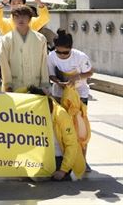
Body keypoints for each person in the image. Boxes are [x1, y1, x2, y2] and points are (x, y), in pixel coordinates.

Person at [47, 29, 93, 170]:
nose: (61, 55)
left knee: (80, 128)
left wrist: (77, 77)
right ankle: (64, 159)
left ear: (71, 49)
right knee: (62, 128)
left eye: (65, 52)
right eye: (59, 52)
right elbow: (51, 75)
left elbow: (90, 72)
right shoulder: (51, 57)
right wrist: (59, 82)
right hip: (60, 94)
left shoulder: (80, 57)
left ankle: (83, 160)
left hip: (80, 95)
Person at [27, 86, 86, 181]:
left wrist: (63, 170)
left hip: (60, 158)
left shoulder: (61, 115)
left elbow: (71, 145)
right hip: (43, 155)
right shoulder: (35, 112)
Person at [0, 6, 49, 93]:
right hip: (15, 85)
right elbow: (4, 64)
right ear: (13, 19)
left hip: (35, 84)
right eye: (17, 17)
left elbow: (44, 61)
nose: (21, 19)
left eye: (24, 16)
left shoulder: (40, 38)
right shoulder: (6, 39)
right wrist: (8, 85)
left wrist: (45, 84)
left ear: (30, 19)